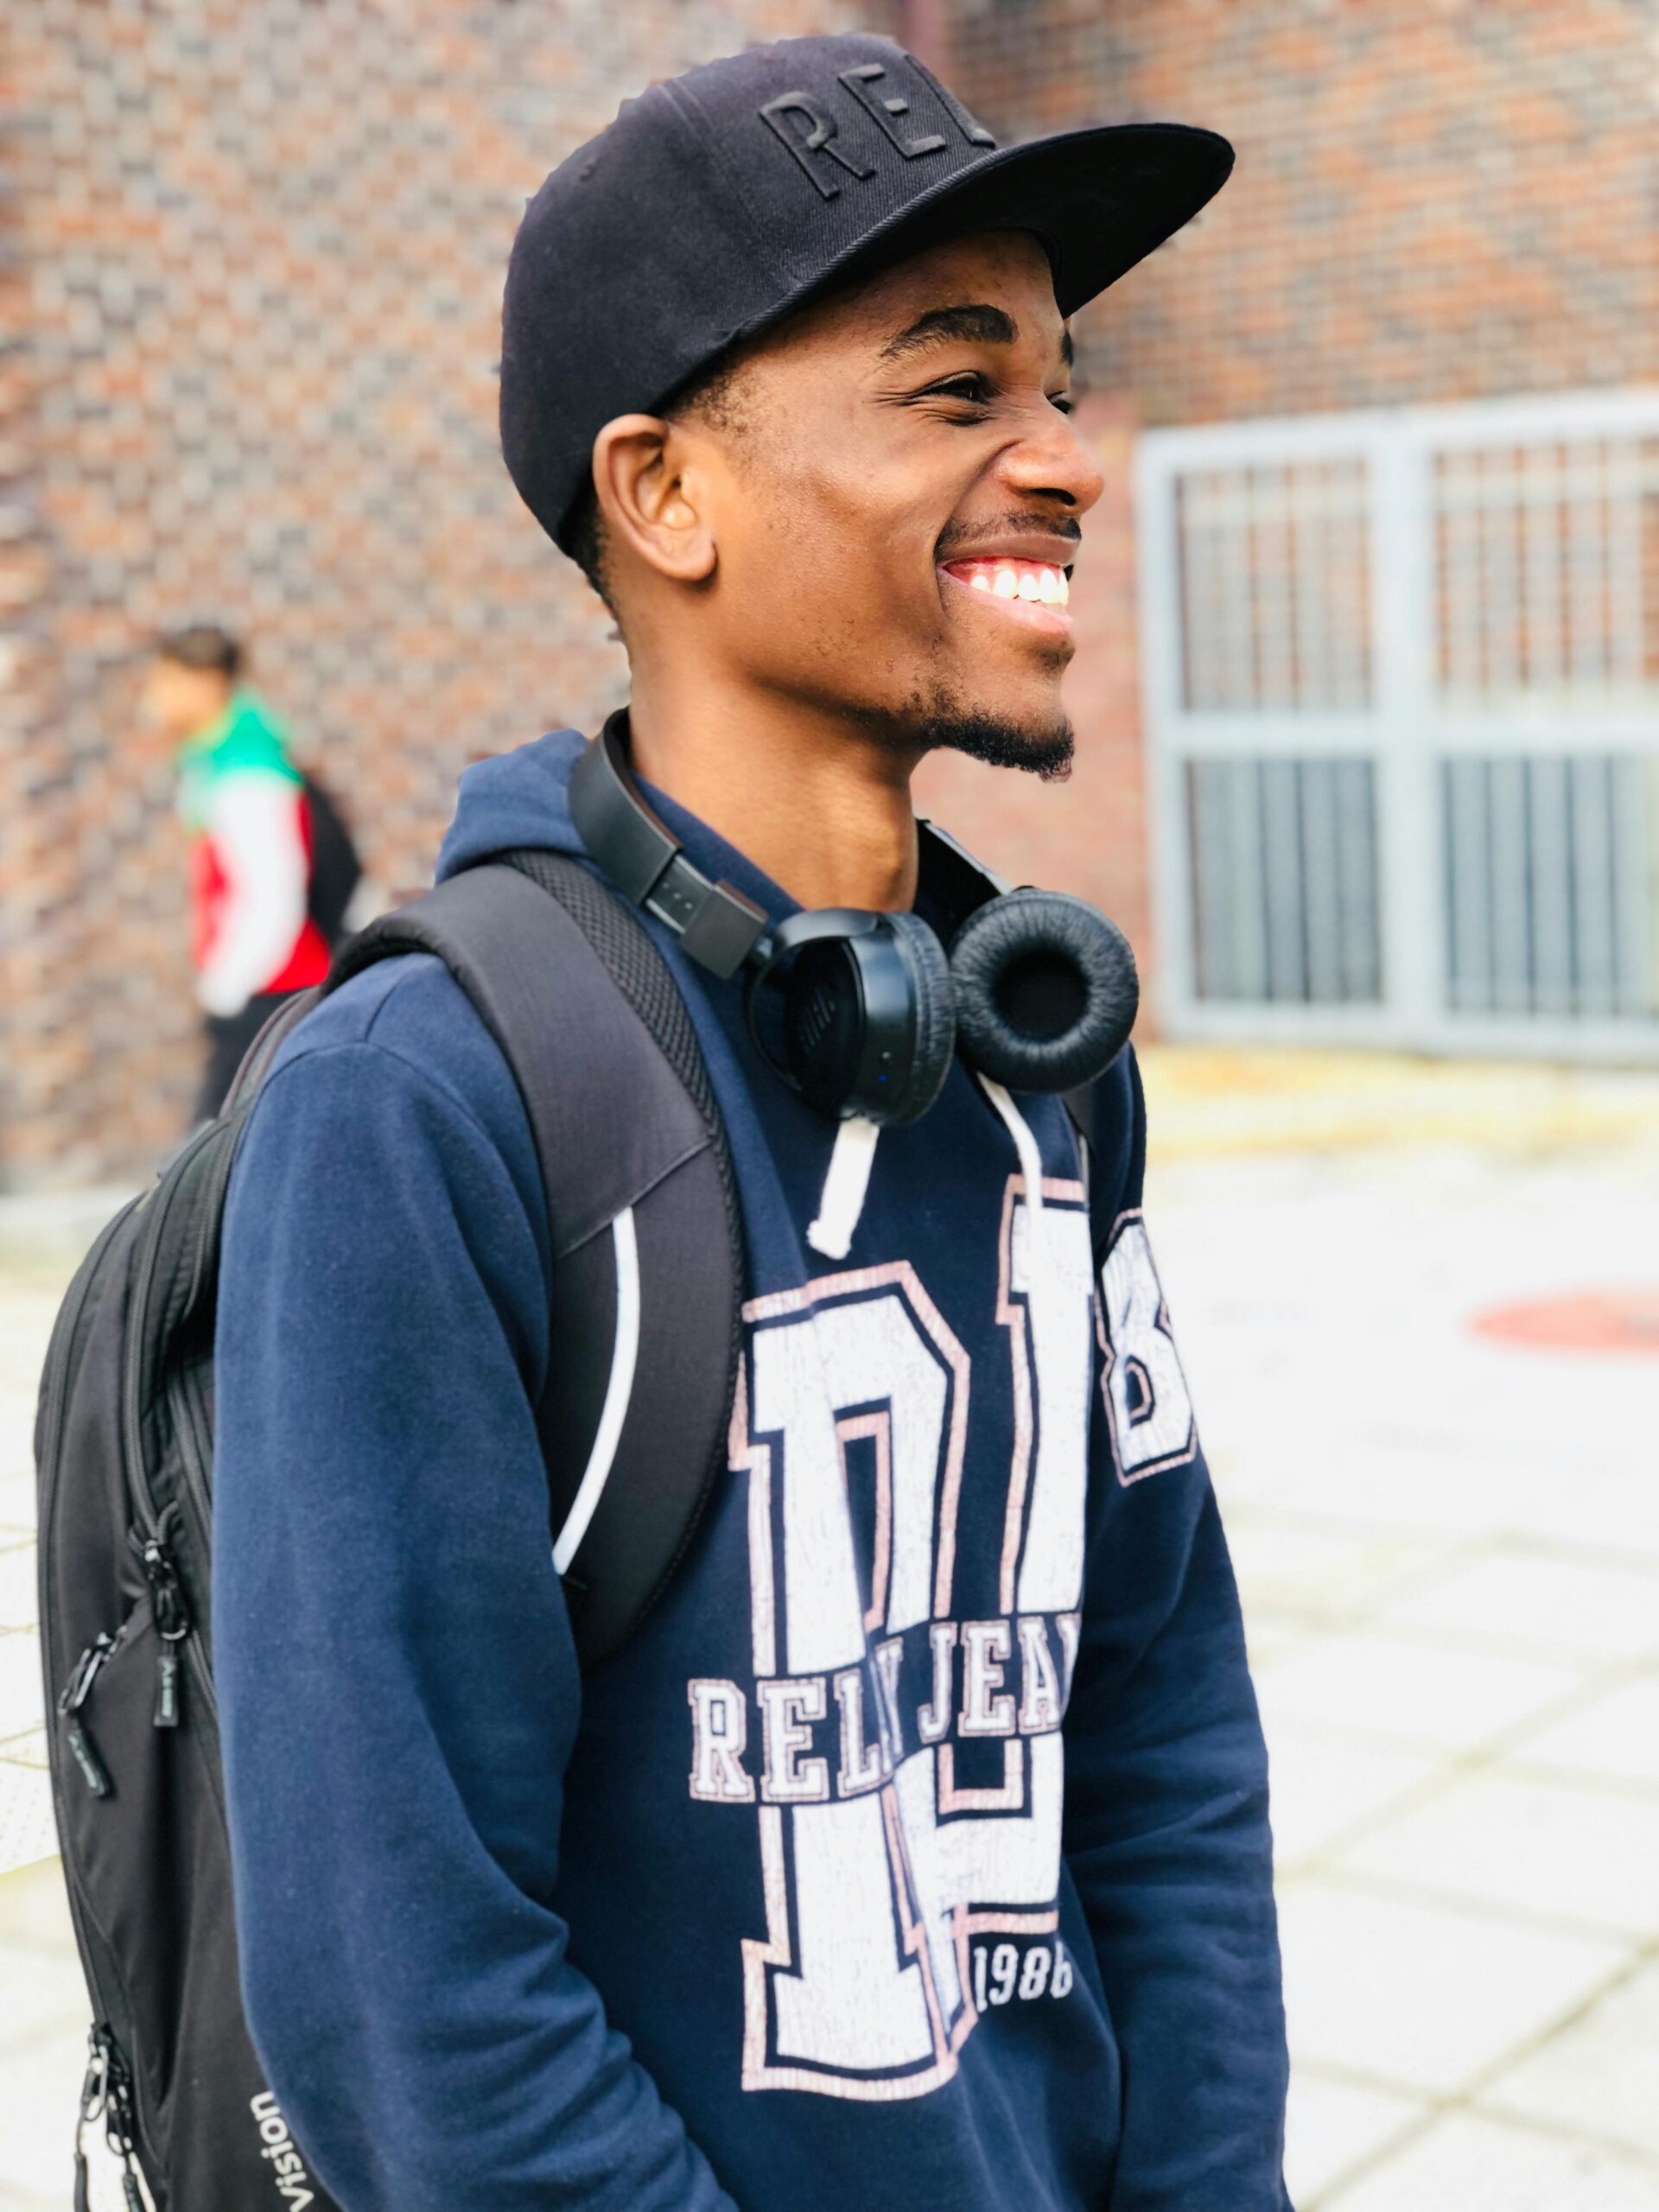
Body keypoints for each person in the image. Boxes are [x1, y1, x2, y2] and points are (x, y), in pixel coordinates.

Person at [213, 34, 1290, 2212]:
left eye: (1058, 386)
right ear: (665, 492)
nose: (1061, 456)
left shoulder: (1035, 1064)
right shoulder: (412, 1116)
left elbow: (1164, 1736)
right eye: (953, 384)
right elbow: (415, 2022)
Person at [143, 626, 333, 1121]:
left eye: (167, 681)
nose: (155, 698)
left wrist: (228, 985)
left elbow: (273, 890)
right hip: (261, 990)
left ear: (206, 682)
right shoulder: (215, 761)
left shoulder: (246, 771)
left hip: (268, 994)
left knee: (209, 1163)